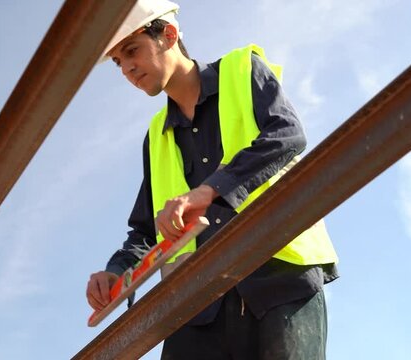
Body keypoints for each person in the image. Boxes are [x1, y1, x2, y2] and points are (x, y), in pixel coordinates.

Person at [86, 1, 339, 358]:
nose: (127, 68)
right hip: (197, 308)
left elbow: (287, 134)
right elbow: (145, 231)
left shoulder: (241, 71)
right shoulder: (157, 135)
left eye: (132, 50)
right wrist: (116, 275)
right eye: (118, 62)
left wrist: (211, 189)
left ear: (168, 35)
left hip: (277, 279)